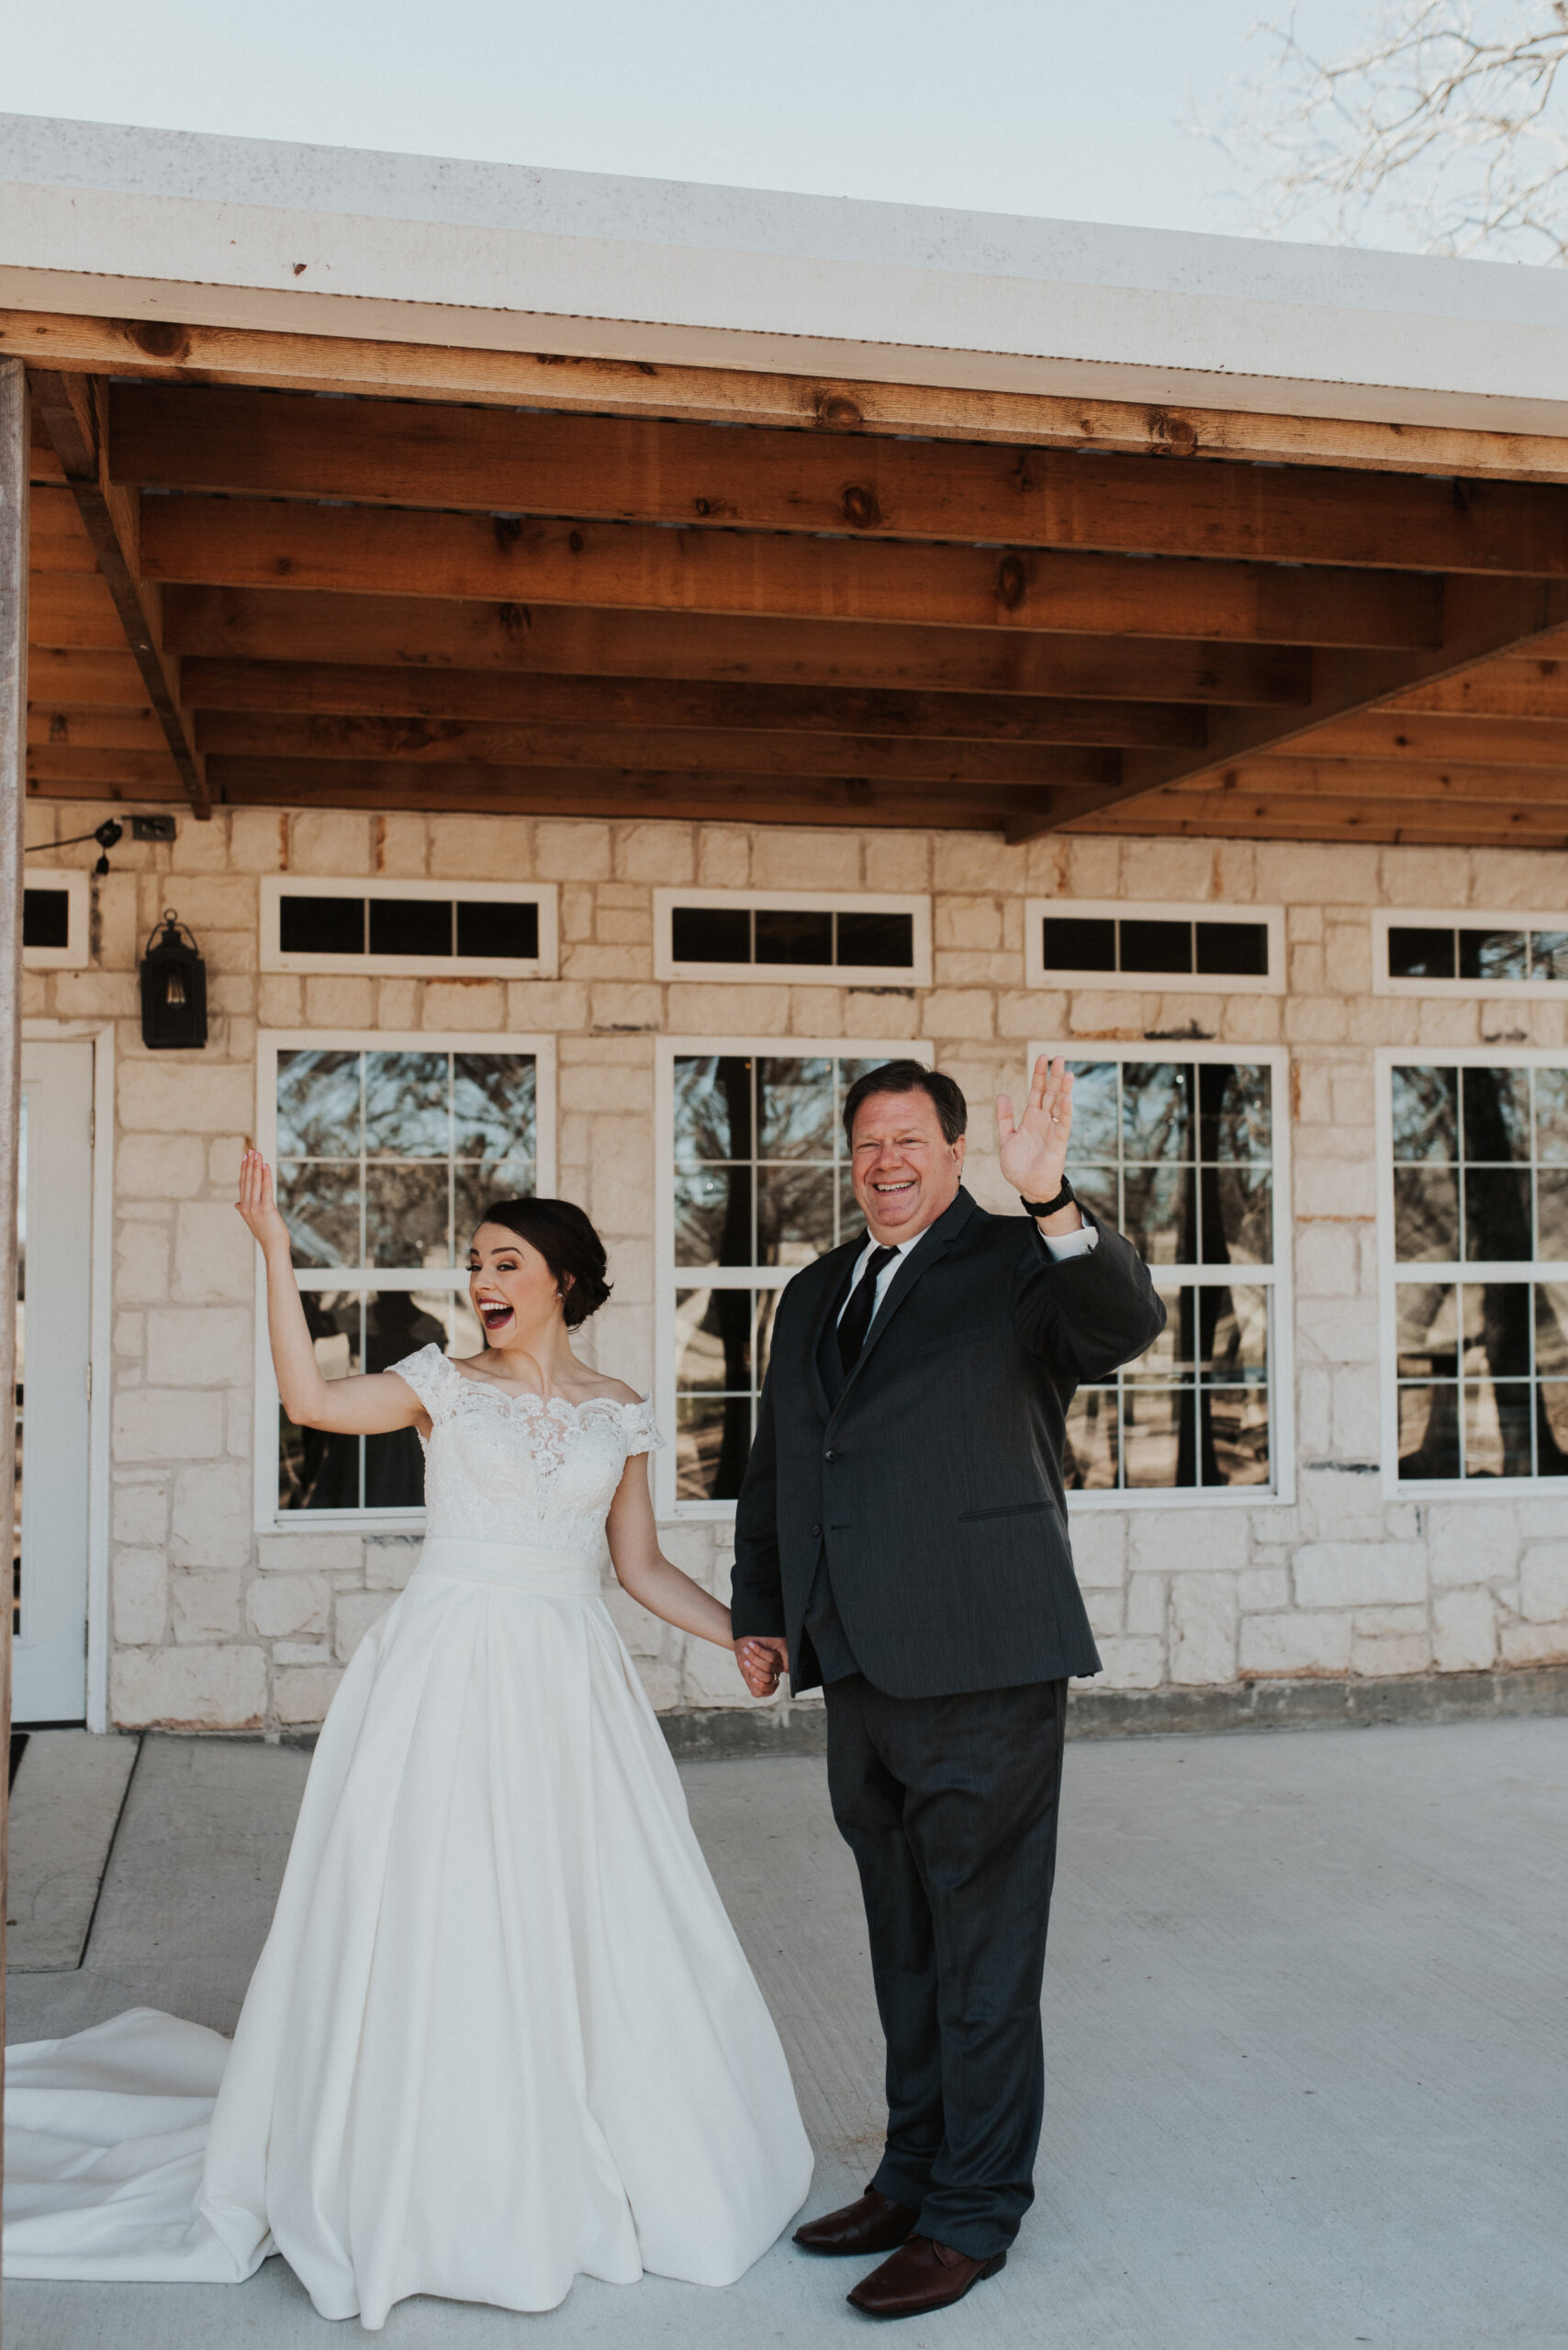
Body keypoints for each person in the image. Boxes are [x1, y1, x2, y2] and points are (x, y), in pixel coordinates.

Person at [5, 1165, 812, 2330]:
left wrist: (742, 1633)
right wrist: (276, 1250)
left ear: (564, 1282)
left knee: (581, 1902)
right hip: (444, 1665)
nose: (481, 1281)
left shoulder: (618, 1404)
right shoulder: (442, 1384)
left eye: (506, 1264)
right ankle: (422, 2161)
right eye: (475, 1263)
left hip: (566, 1677)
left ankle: (587, 2135)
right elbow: (311, 1401)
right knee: (438, 1898)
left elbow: (635, 1566)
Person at [729, 1055, 1164, 2322]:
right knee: (904, 1947)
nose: (886, 1162)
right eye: (866, 1142)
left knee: (981, 1953)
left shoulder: (1023, 1264)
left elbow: (1121, 1327)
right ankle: (912, 2173)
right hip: (856, 1666)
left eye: (910, 1138)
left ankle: (976, 2214)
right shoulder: (813, 1293)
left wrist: (1056, 1202)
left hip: (986, 1662)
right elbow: (783, 1467)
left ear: (957, 1148)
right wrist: (765, 1612)